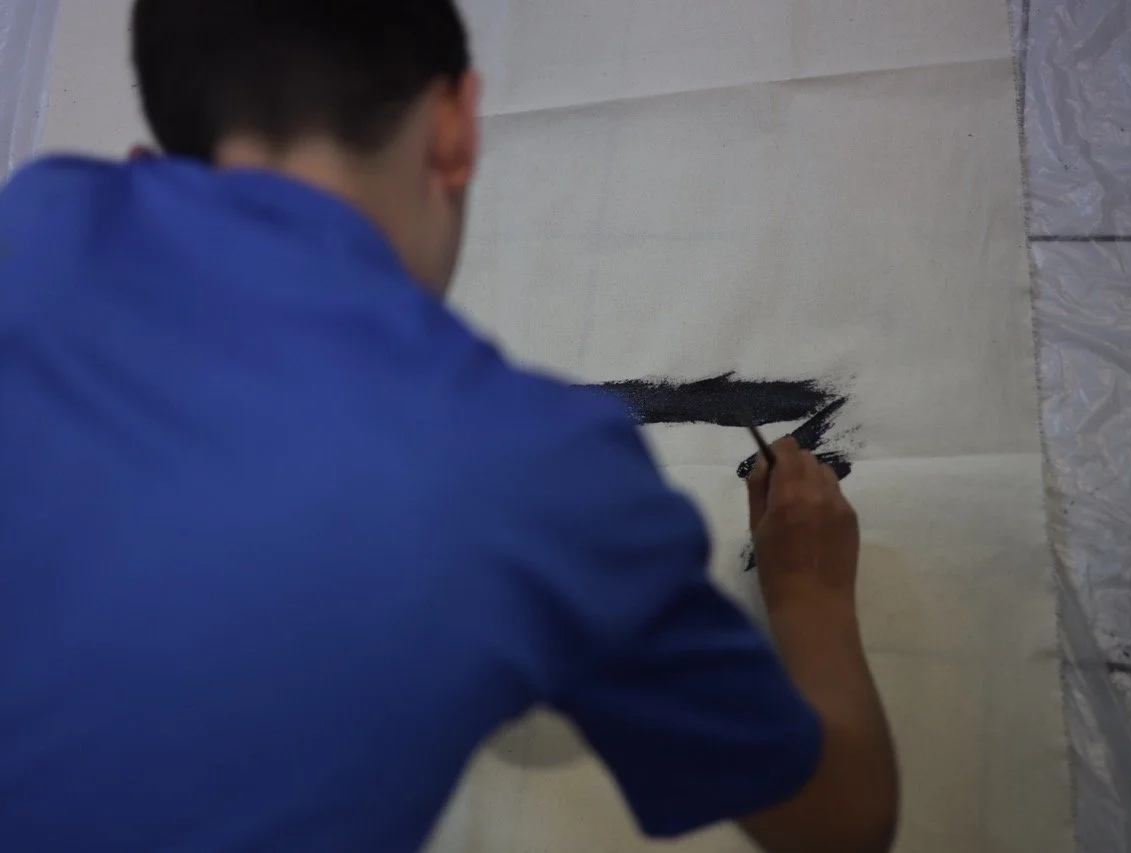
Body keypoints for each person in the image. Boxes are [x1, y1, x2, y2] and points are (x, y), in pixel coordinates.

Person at [0, 1, 897, 851]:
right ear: (455, 129)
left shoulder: (33, 217)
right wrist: (809, 591)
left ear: (151, 152)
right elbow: (841, 821)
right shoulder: (539, 471)